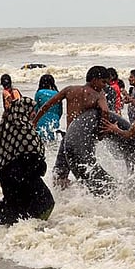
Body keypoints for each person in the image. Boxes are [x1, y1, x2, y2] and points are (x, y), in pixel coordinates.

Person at [31, 66, 115, 195]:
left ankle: (64, 199)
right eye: (103, 82)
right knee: (86, 168)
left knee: (60, 174)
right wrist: (101, 133)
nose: (105, 86)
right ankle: (84, 196)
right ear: (94, 80)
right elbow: (105, 111)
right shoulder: (98, 95)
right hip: (85, 140)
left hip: (68, 138)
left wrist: (35, 122)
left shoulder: (70, 90)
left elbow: (47, 105)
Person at [0, 96, 55, 225]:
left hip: (8, 177)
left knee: (18, 213)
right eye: (31, 110)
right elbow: (35, 159)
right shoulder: (26, 132)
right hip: (25, 177)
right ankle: (36, 233)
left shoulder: (9, 131)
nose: (34, 113)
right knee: (45, 204)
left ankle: (18, 237)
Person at [33, 74, 61, 142]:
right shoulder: (57, 93)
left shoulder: (39, 93)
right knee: (52, 138)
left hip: (41, 118)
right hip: (54, 119)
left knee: (41, 139)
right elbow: (60, 110)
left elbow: (35, 109)